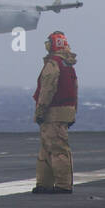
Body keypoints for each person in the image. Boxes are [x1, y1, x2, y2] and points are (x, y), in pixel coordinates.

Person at [32, 30, 77, 194]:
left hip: (52, 113)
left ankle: (63, 185)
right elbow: (74, 91)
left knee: (57, 149)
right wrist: (73, 113)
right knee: (47, 148)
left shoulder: (53, 64)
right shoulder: (68, 65)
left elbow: (47, 90)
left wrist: (40, 111)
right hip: (64, 112)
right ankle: (43, 184)